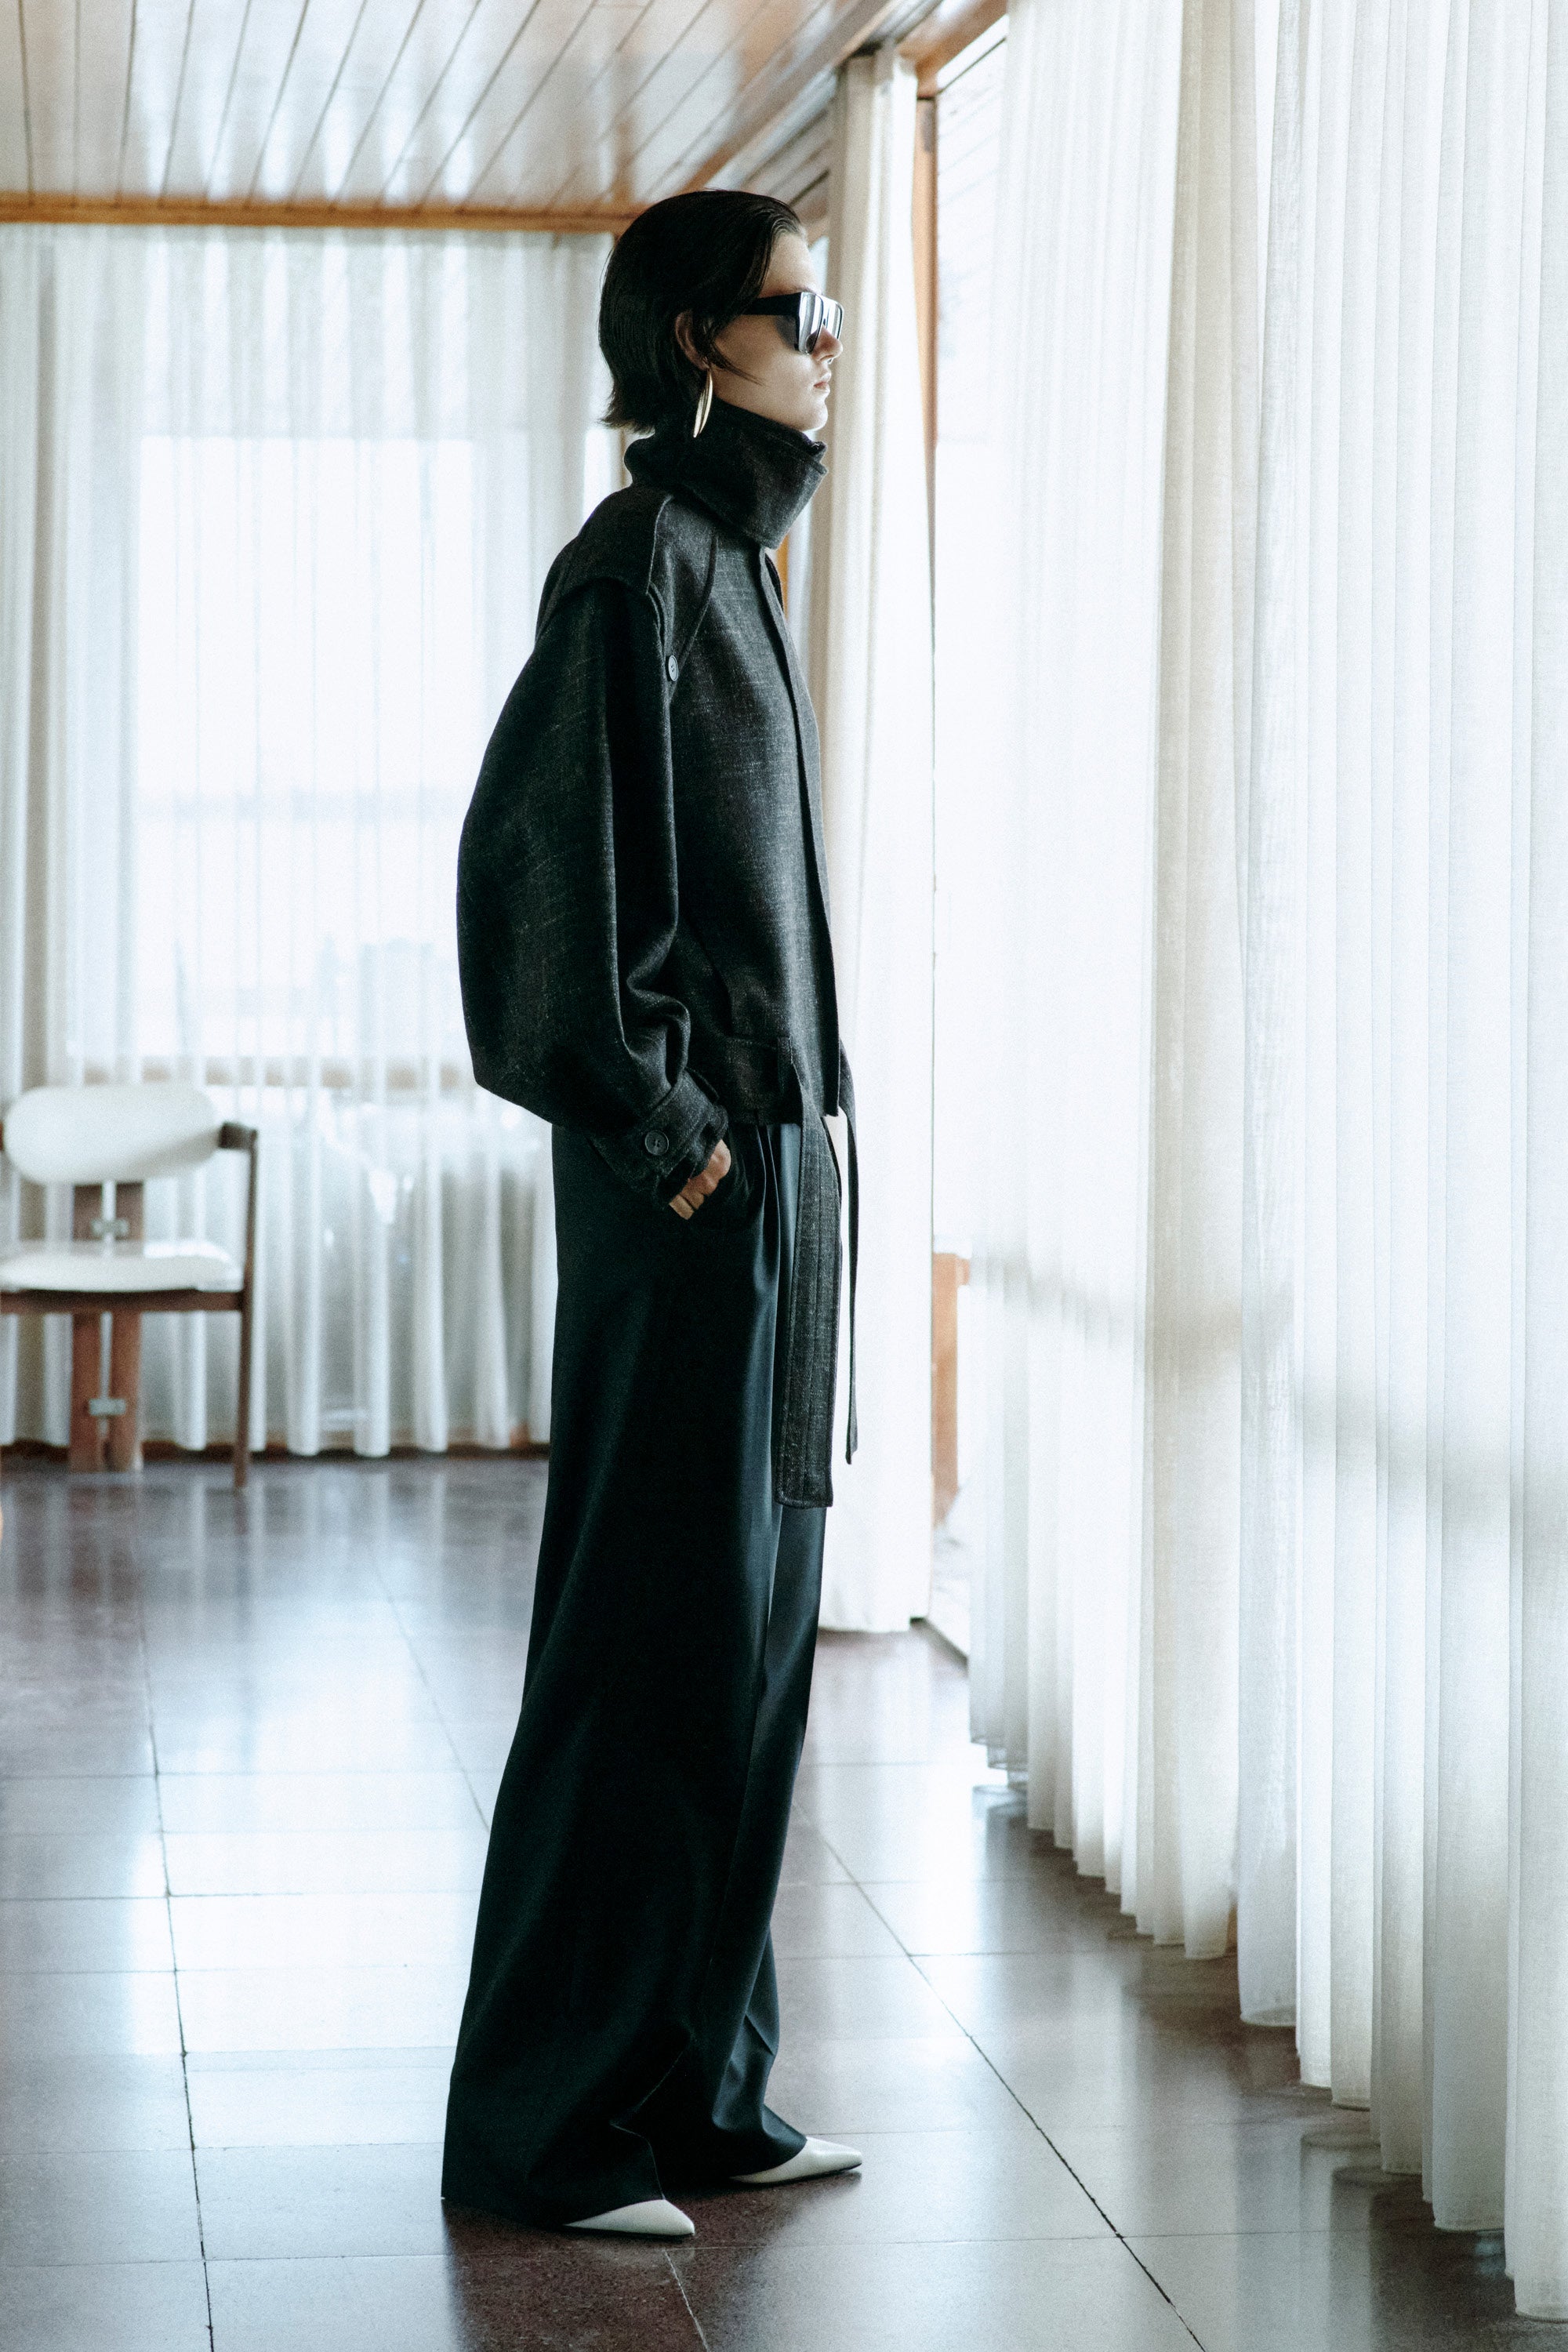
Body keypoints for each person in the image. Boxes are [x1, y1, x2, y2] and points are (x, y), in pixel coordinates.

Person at [441, 189, 862, 2242]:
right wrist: (658, 1119)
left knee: (755, 1654)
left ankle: (697, 2090)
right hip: (688, 1186)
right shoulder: (633, 571)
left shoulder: (738, 566)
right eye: (802, 315)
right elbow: (536, 884)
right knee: (644, 1650)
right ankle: (551, 2129)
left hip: (783, 1177)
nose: (829, 349)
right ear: (703, 342)